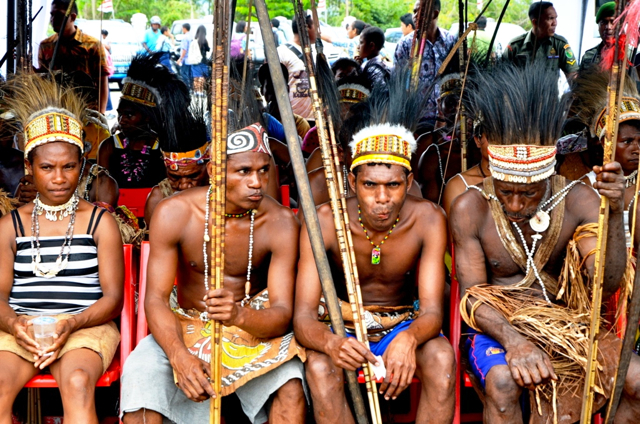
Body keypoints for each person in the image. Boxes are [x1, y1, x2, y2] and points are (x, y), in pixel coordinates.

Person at [451, 63, 640, 423]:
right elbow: (473, 297)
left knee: (637, 382)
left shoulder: (578, 200)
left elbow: (607, 281)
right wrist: (515, 341)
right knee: (504, 381)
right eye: (506, 192)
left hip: (567, 327)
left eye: (529, 194)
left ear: (549, 177)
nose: (516, 205)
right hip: (496, 329)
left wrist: (615, 213)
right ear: (494, 176)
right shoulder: (471, 206)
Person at [120, 109, 306, 423]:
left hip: (253, 330)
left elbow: (282, 314)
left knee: (291, 385)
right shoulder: (173, 213)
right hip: (183, 327)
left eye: (263, 170)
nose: (257, 182)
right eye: (244, 171)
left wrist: (239, 315)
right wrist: (179, 357)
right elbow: (155, 300)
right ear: (215, 170)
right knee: (141, 381)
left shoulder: (281, 223)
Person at [295, 70, 455, 424]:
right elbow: (303, 317)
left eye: (394, 185)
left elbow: (431, 310)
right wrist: (332, 343)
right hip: (341, 326)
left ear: (409, 181)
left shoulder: (428, 219)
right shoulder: (325, 221)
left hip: (403, 321)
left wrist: (409, 339)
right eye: (369, 185)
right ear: (352, 182)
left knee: (442, 358)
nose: (382, 199)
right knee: (320, 367)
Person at [0, 73, 122, 423]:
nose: (58, 177)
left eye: (69, 166)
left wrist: (71, 323)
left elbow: (112, 299)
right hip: (21, 328)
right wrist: (14, 324)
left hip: (85, 327)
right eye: (47, 168)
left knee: (78, 381)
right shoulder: (10, 226)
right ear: (28, 167)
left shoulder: (101, 223)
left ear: (82, 165)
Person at [99, 53, 190, 189]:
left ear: (147, 116)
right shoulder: (108, 147)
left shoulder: (163, 147)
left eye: (129, 115)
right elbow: (101, 186)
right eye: (120, 114)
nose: (121, 121)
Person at [38, 0, 109, 113]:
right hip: (55, 110)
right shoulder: (46, 46)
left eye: (60, 15)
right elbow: (43, 79)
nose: (53, 19)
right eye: (52, 14)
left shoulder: (92, 45)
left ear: (73, 17)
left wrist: (100, 114)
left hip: (86, 111)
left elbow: (102, 82)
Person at [145, 104, 210, 225]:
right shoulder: (158, 198)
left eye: (193, 176)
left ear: (209, 167)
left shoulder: (224, 193)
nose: (184, 186)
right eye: (175, 177)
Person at [394, 0, 457, 127]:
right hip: (417, 118)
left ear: (434, 14)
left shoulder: (450, 40)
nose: (416, 16)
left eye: (421, 12)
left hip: (445, 117)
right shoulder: (406, 44)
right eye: (414, 12)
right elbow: (397, 83)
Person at [503, 2, 578, 79]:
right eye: (550, 18)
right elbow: (502, 76)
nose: (555, 23)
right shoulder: (515, 46)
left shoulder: (560, 44)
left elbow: (572, 76)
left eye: (556, 18)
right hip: (520, 91)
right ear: (535, 22)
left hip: (549, 91)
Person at [277, 14, 316, 120]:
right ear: (307, 27)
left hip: (316, 121)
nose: (319, 31)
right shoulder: (282, 53)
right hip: (292, 122)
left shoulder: (316, 53)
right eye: (316, 26)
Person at [580, 1, 615, 73]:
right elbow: (582, 83)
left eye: (613, 22)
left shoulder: (630, 56)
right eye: (603, 22)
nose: (608, 27)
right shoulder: (589, 56)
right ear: (598, 26)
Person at [192, 25, 211, 96]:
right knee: (202, 77)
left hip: (195, 61)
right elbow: (208, 50)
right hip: (203, 60)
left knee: (196, 77)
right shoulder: (204, 41)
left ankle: (196, 91)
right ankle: (200, 91)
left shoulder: (194, 40)